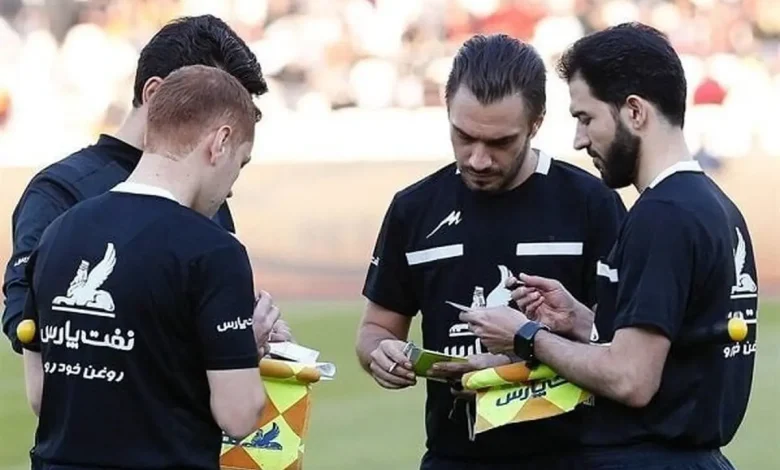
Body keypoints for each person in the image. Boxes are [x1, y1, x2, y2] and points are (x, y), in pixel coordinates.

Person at [460, 23, 758, 469]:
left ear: (634, 111)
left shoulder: (662, 216)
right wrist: (583, 322)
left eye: (586, 118)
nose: (579, 140)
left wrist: (526, 336)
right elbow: (676, 349)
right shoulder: (713, 206)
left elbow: (631, 379)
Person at [355, 33, 627, 469]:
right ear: (446, 108)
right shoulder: (414, 209)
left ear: (536, 123)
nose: (478, 159)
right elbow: (375, 329)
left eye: (500, 142)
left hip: (572, 457)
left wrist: (514, 359)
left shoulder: (592, 204)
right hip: (453, 458)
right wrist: (381, 355)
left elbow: (620, 347)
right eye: (463, 136)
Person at [19, 64, 276, 470]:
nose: (231, 187)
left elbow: (41, 396)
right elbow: (239, 415)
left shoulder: (58, 232)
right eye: (240, 164)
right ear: (220, 142)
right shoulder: (214, 250)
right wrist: (242, 349)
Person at [2, 14, 293, 356]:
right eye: (219, 105)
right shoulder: (61, 191)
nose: (227, 135)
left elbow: (213, 313)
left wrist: (250, 329)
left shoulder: (208, 192)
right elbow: (28, 326)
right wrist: (220, 344)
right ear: (155, 94)